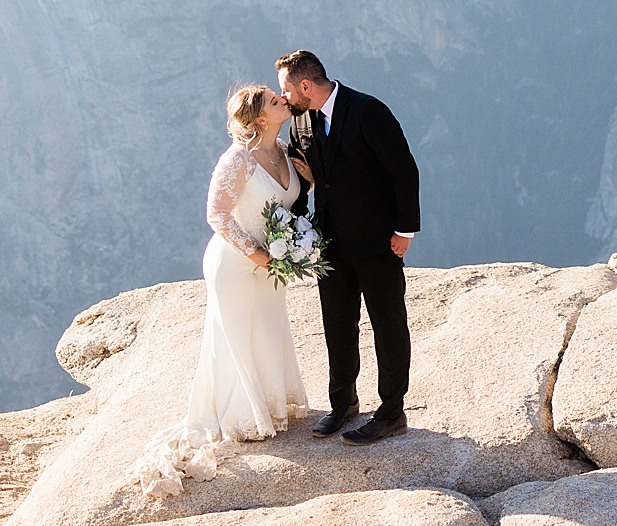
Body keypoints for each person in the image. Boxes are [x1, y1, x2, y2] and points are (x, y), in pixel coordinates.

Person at [129, 84, 312, 497]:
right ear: (259, 117)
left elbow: (286, 201)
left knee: (267, 328)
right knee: (234, 338)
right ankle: (238, 417)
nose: (281, 97)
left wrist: (310, 185)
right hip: (235, 261)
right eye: (271, 98)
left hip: (271, 259)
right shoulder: (238, 160)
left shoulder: (284, 150)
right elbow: (217, 215)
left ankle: (270, 406)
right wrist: (257, 255)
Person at [276, 49, 421, 445]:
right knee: (337, 324)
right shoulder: (300, 120)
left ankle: (392, 412)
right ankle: (343, 404)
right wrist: (299, 229)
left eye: (286, 90)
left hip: (377, 241)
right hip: (328, 243)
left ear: (305, 85)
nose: (284, 98)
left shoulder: (368, 111)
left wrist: (404, 231)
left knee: (387, 324)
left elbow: (403, 170)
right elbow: (307, 179)